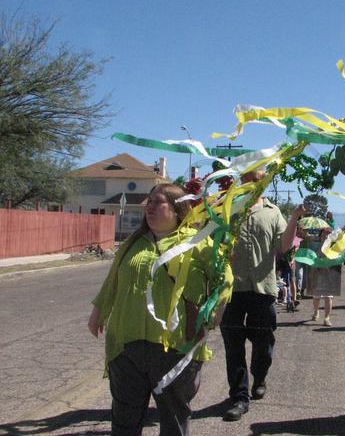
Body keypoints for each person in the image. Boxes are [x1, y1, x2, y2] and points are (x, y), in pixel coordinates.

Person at [88, 183, 231, 436]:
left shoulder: (198, 242)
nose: (149, 207)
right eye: (149, 202)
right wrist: (99, 311)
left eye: (158, 202)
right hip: (127, 343)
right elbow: (114, 279)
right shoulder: (135, 242)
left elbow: (225, 281)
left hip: (176, 347)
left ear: (177, 209)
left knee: (173, 418)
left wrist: (213, 314)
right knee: (124, 418)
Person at [220, 169, 305, 421]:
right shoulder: (228, 208)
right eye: (250, 178)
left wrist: (294, 219)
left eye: (260, 179)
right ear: (242, 181)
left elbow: (284, 246)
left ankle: (260, 376)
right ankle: (239, 397)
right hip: (231, 290)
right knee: (233, 347)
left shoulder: (272, 212)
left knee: (264, 343)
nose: (255, 183)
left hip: (263, 289)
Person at [306, 227, 342, 326]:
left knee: (328, 297)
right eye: (323, 234)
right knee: (316, 296)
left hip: (330, 274)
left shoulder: (335, 247)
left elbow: (340, 260)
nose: (325, 236)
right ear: (320, 236)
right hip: (317, 273)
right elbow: (310, 257)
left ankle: (327, 318)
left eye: (328, 235)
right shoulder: (314, 246)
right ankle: (316, 311)